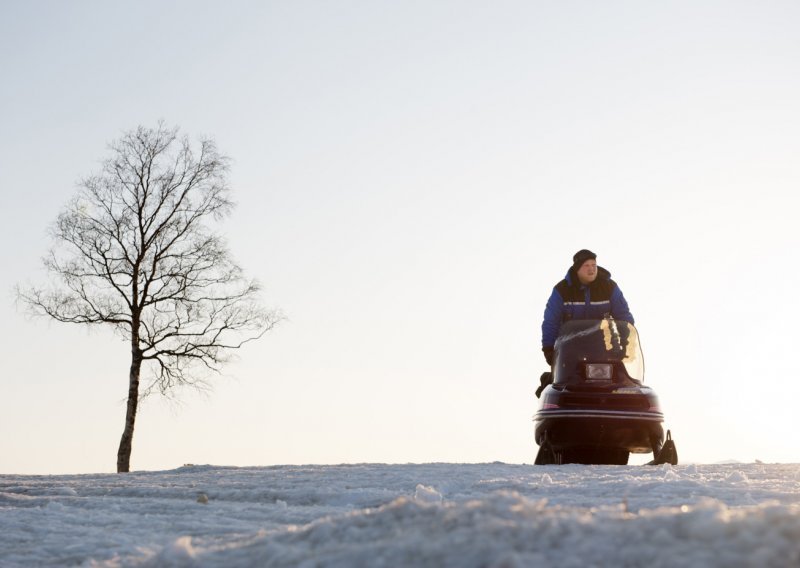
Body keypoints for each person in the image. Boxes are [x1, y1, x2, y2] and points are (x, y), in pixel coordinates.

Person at [541, 249, 634, 366]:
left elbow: (623, 316)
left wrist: (626, 343)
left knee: (616, 377)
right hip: (568, 348)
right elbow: (551, 321)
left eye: (594, 265)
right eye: (586, 265)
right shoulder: (562, 290)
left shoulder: (609, 287)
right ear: (577, 269)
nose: (592, 269)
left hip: (601, 347)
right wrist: (549, 349)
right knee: (565, 380)